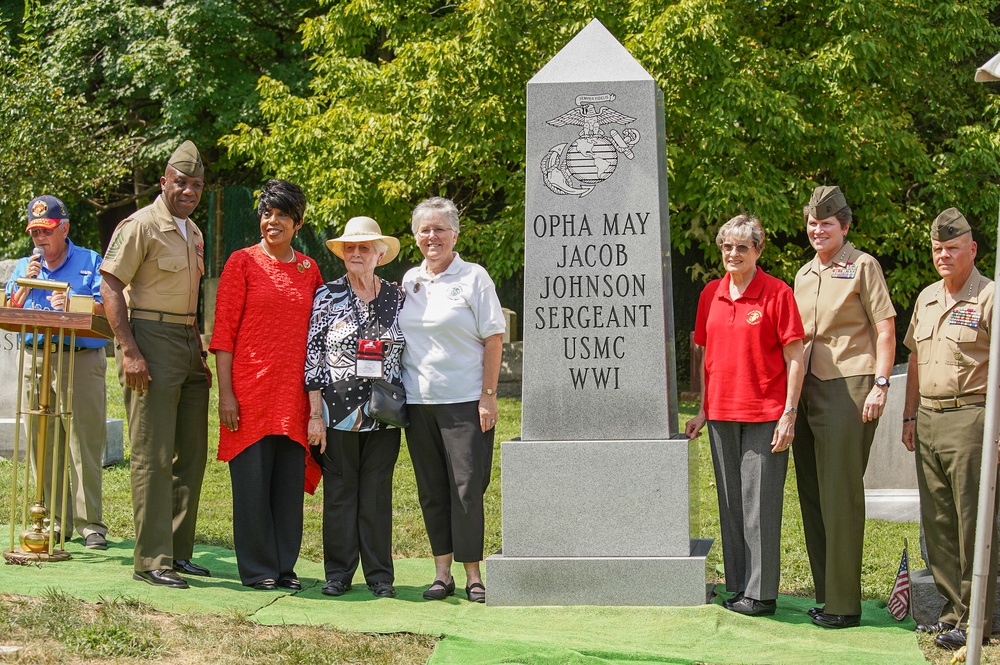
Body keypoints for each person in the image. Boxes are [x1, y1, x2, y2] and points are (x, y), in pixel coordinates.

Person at [100, 140, 212, 589]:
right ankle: (151, 559)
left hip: (188, 341)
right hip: (149, 337)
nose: (188, 191)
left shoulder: (195, 232)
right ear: (164, 180)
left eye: (197, 185)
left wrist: (197, 343)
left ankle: (178, 553)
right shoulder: (141, 226)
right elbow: (110, 285)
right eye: (181, 182)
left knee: (192, 453)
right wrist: (128, 350)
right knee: (151, 453)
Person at [685, 214, 804, 616]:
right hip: (721, 414)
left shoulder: (777, 293)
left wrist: (789, 413)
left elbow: (795, 357)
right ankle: (738, 586)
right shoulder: (710, 295)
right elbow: (705, 355)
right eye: (726, 247)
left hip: (765, 414)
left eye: (742, 247)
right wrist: (702, 409)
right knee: (731, 504)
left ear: (758, 251)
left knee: (759, 506)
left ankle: (761, 593)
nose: (733, 254)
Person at [210, 180, 324, 591]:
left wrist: (316, 403)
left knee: (287, 486)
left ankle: (285, 567)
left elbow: (318, 335)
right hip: (249, 395)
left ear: (298, 222)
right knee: (253, 486)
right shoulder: (241, 262)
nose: (271, 221)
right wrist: (226, 395)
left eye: (281, 215)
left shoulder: (310, 270)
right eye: (266, 213)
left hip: (294, 396)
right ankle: (259, 570)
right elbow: (223, 334)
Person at [793, 185, 896, 628]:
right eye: (813, 224)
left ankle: (844, 605)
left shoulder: (862, 266)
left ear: (845, 227)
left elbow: (886, 327)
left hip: (848, 386)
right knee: (813, 494)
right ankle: (827, 591)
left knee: (841, 496)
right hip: (807, 389)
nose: (819, 230)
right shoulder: (803, 274)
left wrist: (881, 383)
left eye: (827, 224)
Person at [398, 197, 505, 604]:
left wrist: (489, 396)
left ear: (455, 234)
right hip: (417, 403)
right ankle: (442, 574)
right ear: (415, 236)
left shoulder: (475, 277)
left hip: (465, 402)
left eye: (439, 228)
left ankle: (473, 574)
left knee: (466, 489)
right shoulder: (409, 281)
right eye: (424, 229)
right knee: (431, 489)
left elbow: (493, 338)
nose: (432, 236)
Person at [902, 208, 996, 651]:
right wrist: (908, 418)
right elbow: (916, 360)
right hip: (929, 417)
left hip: (971, 417)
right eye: (938, 248)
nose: (944, 255)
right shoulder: (926, 298)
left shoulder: (989, 298)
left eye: (952, 248)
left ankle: (976, 615)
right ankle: (949, 612)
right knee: (938, 521)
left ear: (972, 249)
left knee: (971, 520)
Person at [305, 216, 404, 599]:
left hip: (385, 413)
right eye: (351, 248)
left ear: (380, 254)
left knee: (377, 495)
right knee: (341, 494)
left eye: (365, 247)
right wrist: (315, 415)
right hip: (337, 412)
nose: (357, 253)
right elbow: (313, 358)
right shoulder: (326, 295)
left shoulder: (397, 296)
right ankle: (338, 574)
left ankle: (380, 577)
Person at [4, 195, 109, 550]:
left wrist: (74, 305)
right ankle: (51, 519)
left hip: (78, 359)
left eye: (45, 231)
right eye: (34, 232)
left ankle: (90, 524)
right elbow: (9, 309)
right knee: (42, 441)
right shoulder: (24, 267)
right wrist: (24, 283)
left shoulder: (89, 260)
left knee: (83, 442)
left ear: (64, 227)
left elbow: (105, 307)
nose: (39, 239)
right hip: (36, 357)